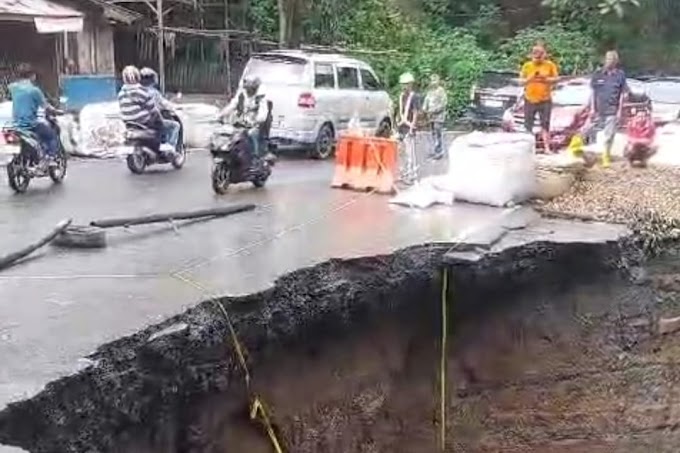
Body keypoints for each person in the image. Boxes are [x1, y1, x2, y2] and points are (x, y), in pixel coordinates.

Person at [584, 50, 629, 168]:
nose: (609, 62)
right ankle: (581, 154)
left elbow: (623, 94)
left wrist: (620, 110)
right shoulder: (598, 74)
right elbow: (593, 92)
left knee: (609, 135)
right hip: (598, 110)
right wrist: (592, 108)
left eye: (612, 60)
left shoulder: (620, 75)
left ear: (616, 62)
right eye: (608, 59)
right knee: (586, 131)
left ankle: (606, 155)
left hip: (612, 110)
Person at [8, 63, 60, 165]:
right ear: (32, 75)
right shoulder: (35, 91)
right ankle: (50, 159)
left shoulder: (13, 88)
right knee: (52, 136)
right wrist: (57, 111)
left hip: (16, 125)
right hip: (30, 124)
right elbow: (47, 107)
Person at [219, 77, 274, 161]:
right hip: (242, 121)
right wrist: (221, 115)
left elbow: (263, 113)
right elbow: (232, 106)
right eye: (247, 87)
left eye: (250, 88)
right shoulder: (242, 94)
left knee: (252, 134)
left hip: (256, 123)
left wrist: (256, 121)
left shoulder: (261, 97)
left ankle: (256, 158)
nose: (248, 90)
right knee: (230, 134)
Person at [519, 45, 559, 153]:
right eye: (535, 57)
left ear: (544, 55)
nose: (538, 59)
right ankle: (528, 148)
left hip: (545, 99)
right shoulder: (527, 66)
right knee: (528, 124)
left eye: (540, 57)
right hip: (530, 98)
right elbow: (521, 81)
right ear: (532, 56)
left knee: (545, 124)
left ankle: (547, 148)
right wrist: (530, 78)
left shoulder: (550, 65)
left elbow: (556, 79)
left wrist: (545, 79)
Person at [117, 65, 164, 149]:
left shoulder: (121, 93)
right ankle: (160, 147)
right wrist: (158, 118)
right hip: (143, 121)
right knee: (161, 125)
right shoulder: (142, 91)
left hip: (128, 123)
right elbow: (152, 109)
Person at [140, 67, 180, 153]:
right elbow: (164, 104)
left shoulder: (137, 92)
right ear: (152, 80)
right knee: (175, 126)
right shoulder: (154, 93)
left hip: (139, 122)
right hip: (152, 121)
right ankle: (170, 148)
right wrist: (175, 107)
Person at [396, 72, 420, 184]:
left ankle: (412, 175)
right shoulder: (401, 96)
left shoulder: (414, 97)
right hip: (401, 126)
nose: (404, 86)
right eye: (403, 84)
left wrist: (412, 128)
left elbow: (415, 112)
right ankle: (402, 173)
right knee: (401, 152)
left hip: (409, 126)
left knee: (410, 153)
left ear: (410, 84)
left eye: (406, 84)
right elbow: (398, 110)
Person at [422, 74, 447, 160]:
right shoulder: (430, 91)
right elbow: (426, 101)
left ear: (438, 81)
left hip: (438, 117)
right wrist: (424, 109)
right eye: (432, 80)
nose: (433, 82)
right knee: (432, 133)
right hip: (430, 116)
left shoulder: (441, 91)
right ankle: (435, 150)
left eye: (435, 80)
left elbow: (443, 104)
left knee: (437, 133)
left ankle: (439, 151)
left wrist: (434, 110)